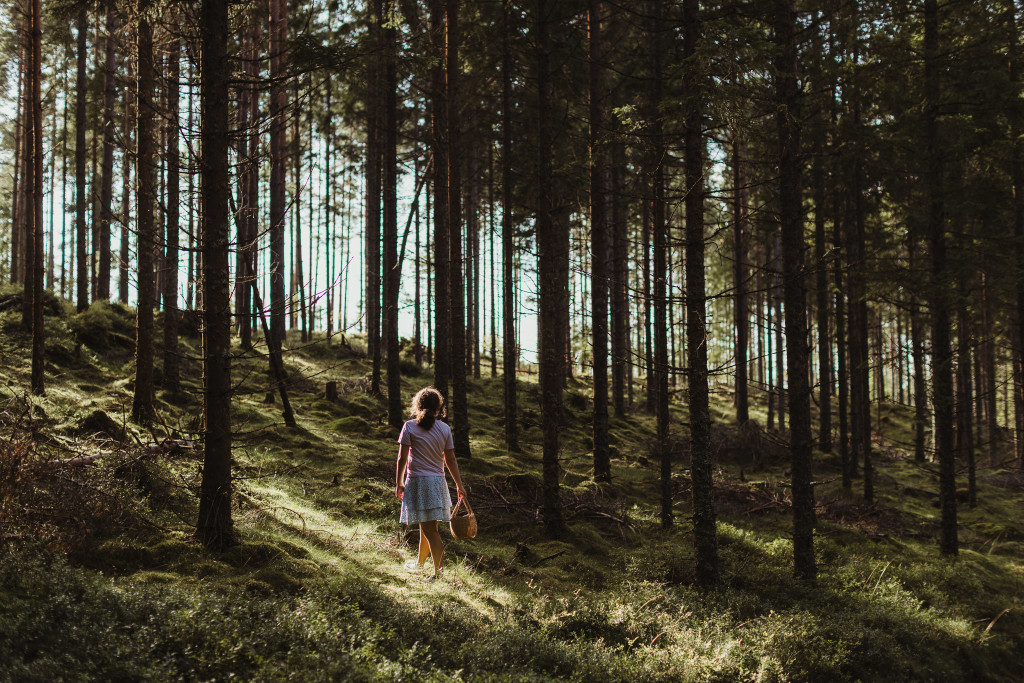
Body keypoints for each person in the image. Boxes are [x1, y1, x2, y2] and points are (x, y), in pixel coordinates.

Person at [395, 386, 466, 581]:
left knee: (430, 531)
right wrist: (459, 485)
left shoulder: (409, 426)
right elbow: (450, 460)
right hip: (437, 483)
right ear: (438, 407)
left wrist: (398, 482)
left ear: (418, 405)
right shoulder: (444, 429)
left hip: (418, 482)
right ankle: (420, 564)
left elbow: (402, 458)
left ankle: (438, 574)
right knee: (426, 527)